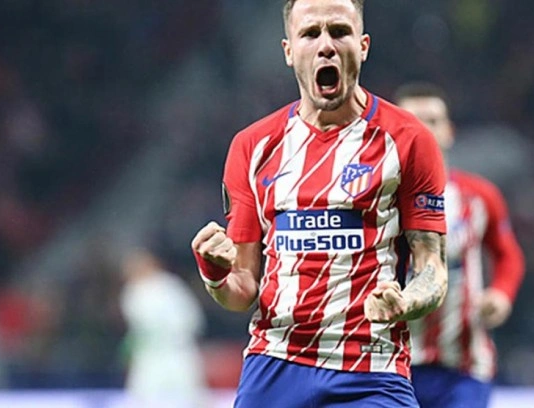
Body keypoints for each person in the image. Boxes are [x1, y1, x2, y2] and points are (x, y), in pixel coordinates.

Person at [190, 1, 449, 406]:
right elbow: (241, 291)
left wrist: (407, 301)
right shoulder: (252, 146)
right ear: (289, 50)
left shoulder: (408, 139)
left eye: (339, 31)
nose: (326, 45)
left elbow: (432, 268)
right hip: (275, 364)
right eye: (310, 33)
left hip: (370, 368)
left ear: (363, 46)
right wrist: (214, 271)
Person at [395, 82, 526, 408]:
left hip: (463, 367)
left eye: (433, 121)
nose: (424, 130)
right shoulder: (372, 202)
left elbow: (507, 254)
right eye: (413, 122)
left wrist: (501, 294)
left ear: (449, 131)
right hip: (392, 366)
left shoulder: (479, 197)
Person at [119, 248, 209, 408]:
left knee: (190, 399)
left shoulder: (170, 286)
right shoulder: (133, 291)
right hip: (150, 358)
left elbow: (193, 321)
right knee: (143, 400)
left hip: (179, 354)